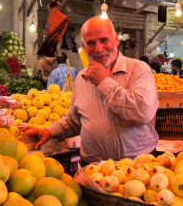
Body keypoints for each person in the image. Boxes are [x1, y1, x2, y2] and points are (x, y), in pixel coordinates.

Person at [23, 17, 159, 162]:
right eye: (91, 43)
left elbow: (143, 111)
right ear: (84, 46)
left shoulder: (138, 70)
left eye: (104, 40)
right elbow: (74, 120)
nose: (98, 49)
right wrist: (49, 131)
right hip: (93, 168)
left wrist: (103, 82)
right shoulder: (82, 78)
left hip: (138, 167)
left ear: (116, 39)